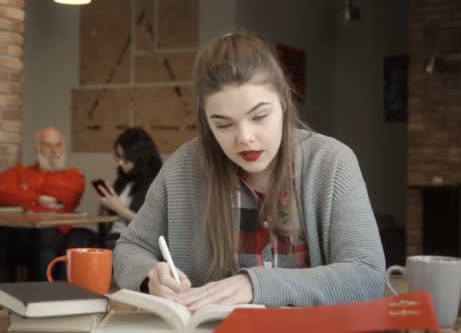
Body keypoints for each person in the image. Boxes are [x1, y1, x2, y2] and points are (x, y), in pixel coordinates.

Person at [113, 32, 385, 310]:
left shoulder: (332, 163)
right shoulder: (183, 168)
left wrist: (254, 284)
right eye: (223, 125)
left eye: (259, 117)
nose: (244, 137)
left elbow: (367, 276)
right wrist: (150, 276)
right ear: (207, 122)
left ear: (283, 101)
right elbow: (128, 249)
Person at [0, 127, 86, 313]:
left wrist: (25, 191)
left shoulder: (74, 176)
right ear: (36, 149)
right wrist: (39, 198)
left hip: (51, 236)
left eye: (58, 145)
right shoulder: (18, 172)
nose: (54, 151)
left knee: (44, 248)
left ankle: (45, 318)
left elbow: (67, 195)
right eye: (47, 146)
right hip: (16, 236)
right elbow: (2, 192)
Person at [95, 127, 162, 249]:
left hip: (131, 241)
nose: (120, 163)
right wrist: (104, 204)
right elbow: (103, 222)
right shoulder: (123, 180)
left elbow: (151, 227)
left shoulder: (156, 183)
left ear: (139, 156)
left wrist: (118, 207)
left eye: (124, 157)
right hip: (110, 237)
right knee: (77, 236)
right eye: (118, 157)